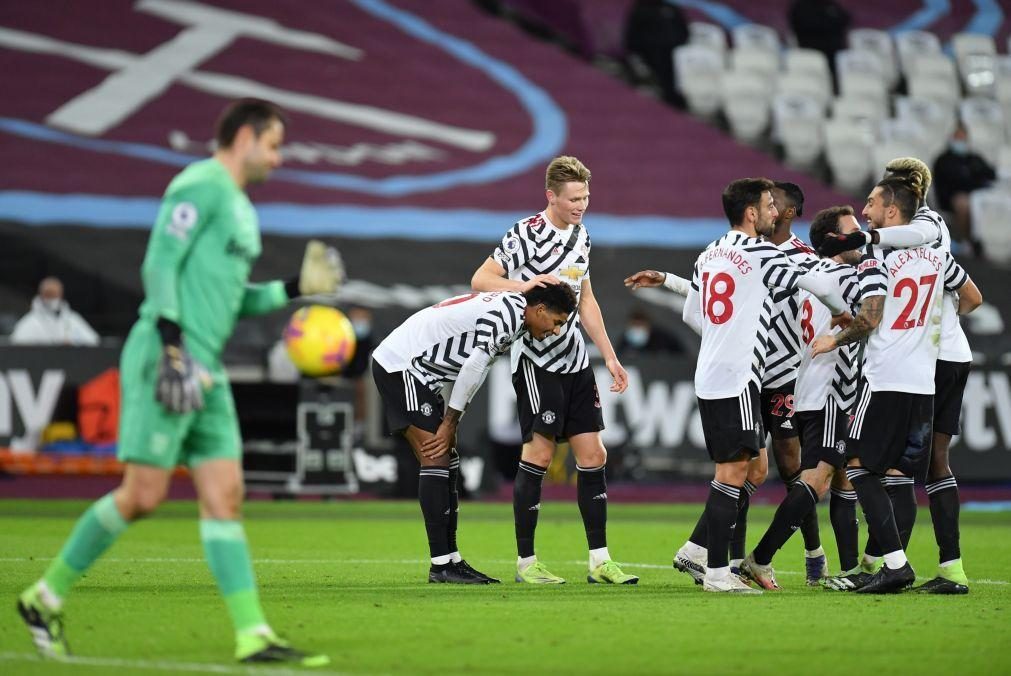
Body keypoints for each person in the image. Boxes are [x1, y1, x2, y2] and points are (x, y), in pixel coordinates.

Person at [17, 98, 342, 666]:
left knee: (225, 497)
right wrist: (171, 339)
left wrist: (292, 285)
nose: (279, 156)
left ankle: (253, 636)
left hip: (206, 368)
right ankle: (43, 597)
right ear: (244, 137)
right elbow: (159, 263)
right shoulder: (200, 185)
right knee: (143, 495)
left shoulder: (241, 210)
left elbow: (235, 298)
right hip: (168, 355)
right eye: (273, 144)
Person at [623, 177, 851, 593]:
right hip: (741, 373)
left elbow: (696, 315)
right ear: (751, 212)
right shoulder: (764, 251)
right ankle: (716, 572)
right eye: (767, 205)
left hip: (712, 370)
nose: (772, 212)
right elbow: (815, 282)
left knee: (754, 468)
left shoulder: (709, 253)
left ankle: (695, 550)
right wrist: (842, 312)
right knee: (732, 471)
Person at [470, 155, 637, 585]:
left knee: (594, 455)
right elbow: (481, 279)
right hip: (535, 361)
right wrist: (522, 286)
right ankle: (527, 562)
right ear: (551, 196)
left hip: (576, 361)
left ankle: (600, 561)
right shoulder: (524, 235)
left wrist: (611, 356)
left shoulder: (582, 236)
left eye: (586, 196)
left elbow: (586, 300)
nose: (582, 205)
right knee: (540, 455)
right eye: (574, 198)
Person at [819, 157, 983, 593]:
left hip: (925, 361)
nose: (865, 209)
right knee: (911, 467)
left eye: (872, 201)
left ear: (896, 197)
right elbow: (971, 296)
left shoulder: (921, 227)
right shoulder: (929, 244)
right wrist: (941, 320)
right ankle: (936, 566)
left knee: (882, 467)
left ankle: (896, 564)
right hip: (939, 356)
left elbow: (871, 311)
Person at [371, 284, 578, 584]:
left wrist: (454, 417)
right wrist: (450, 421)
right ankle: (441, 565)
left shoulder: (515, 312)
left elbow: (477, 370)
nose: (556, 330)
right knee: (436, 458)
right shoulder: (508, 315)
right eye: (557, 322)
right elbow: (473, 366)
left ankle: (451, 559)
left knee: (449, 461)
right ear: (540, 309)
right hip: (402, 366)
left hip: (422, 373)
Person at [736, 205, 863, 589]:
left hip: (817, 390)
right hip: (828, 393)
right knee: (820, 478)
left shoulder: (811, 274)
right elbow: (872, 315)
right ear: (832, 241)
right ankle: (760, 558)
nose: (861, 238)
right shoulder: (843, 277)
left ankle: (851, 570)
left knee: (845, 479)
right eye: (853, 232)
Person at [932, 123, 995, 256]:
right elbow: (952, 182)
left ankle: (989, 240)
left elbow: (990, 174)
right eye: (958, 138)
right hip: (951, 198)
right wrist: (973, 181)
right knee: (963, 203)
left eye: (963, 138)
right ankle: (967, 241)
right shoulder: (943, 160)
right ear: (951, 138)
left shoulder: (974, 158)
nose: (960, 141)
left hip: (977, 195)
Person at [624, 0, 689, 107]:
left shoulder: (671, 8)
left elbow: (684, 31)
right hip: (652, 54)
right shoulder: (640, 9)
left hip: (677, 54)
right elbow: (631, 39)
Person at [10, 277, 100, 346]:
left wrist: (73, 344)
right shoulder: (30, 322)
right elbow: (17, 346)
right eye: (49, 295)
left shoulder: (72, 319)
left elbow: (94, 342)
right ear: (41, 295)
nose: (52, 299)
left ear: (61, 295)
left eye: (55, 295)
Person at [616, 308, 685, 356]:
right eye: (635, 325)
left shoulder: (664, 339)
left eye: (640, 325)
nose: (637, 329)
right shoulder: (624, 342)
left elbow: (682, 357)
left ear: (648, 325)